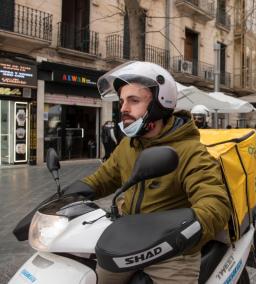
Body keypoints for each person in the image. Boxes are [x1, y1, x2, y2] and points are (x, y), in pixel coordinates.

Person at [63, 61, 231, 284]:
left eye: (133, 101)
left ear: (160, 105)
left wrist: (186, 231)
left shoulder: (190, 151)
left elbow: (215, 201)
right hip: (128, 238)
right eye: (122, 101)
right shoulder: (129, 145)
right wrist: (73, 193)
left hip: (171, 251)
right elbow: (104, 178)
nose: (123, 108)